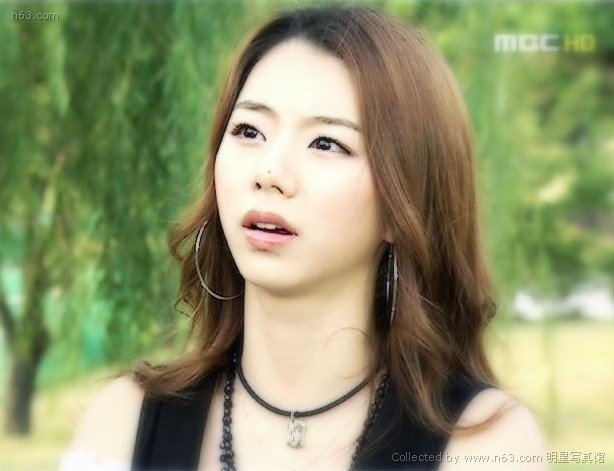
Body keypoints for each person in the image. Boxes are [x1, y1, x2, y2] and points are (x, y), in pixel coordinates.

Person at [60, 4, 548, 471]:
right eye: (249, 130)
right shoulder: (123, 426)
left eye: (326, 143)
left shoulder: (484, 442)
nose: (270, 172)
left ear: (402, 206)